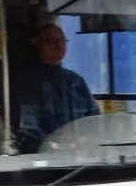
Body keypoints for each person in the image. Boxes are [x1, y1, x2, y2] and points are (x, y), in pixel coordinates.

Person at [14, 22, 98, 151]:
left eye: (62, 40)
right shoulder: (28, 82)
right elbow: (29, 130)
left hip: (79, 159)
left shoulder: (76, 81)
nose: (58, 45)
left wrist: (86, 140)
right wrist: (57, 146)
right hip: (44, 160)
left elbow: (94, 119)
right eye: (50, 41)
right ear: (37, 44)